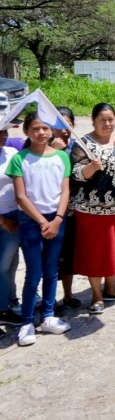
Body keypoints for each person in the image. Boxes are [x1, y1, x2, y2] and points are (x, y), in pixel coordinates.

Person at [71, 104, 115, 315]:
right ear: (93, 120)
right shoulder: (82, 144)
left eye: (110, 119)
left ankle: (111, 287)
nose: (107, 123)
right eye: (102, 119)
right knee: (95, 254)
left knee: (114, 251)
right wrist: (90, 168)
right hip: (92, 211)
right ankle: (96, 295)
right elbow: (75, 174)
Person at [7, 112, 71, 346]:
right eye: (35, 129)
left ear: (51, 130)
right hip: (31, 221)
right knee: (34, 271)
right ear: (26, 132)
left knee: (52, 269)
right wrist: (43, 222)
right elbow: (21, 197)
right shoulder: (19, 159)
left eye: (45, 128)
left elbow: (65, 191)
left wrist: (57, 219)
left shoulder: (62, 157)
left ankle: (47, 316)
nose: (41, 132)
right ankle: (26, 322)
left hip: (57, 218)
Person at [50, 106, 81, 310]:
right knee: (51, 257)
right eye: (60, 125)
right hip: (51, 211)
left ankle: (68, 295)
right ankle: (49, 300)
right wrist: (53, 151)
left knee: (68, 255)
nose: (65, 130)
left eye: (68, 124)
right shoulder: (44, 148)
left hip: (73, 210)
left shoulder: (79, 147)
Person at [0, 124, 22, 328]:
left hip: (15, 214)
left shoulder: (11, 152)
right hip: (3, 220)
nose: (3, 135)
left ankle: (10, 302)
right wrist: (3, 221)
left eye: (4, 131)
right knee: (3, 266)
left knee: (12, 264)